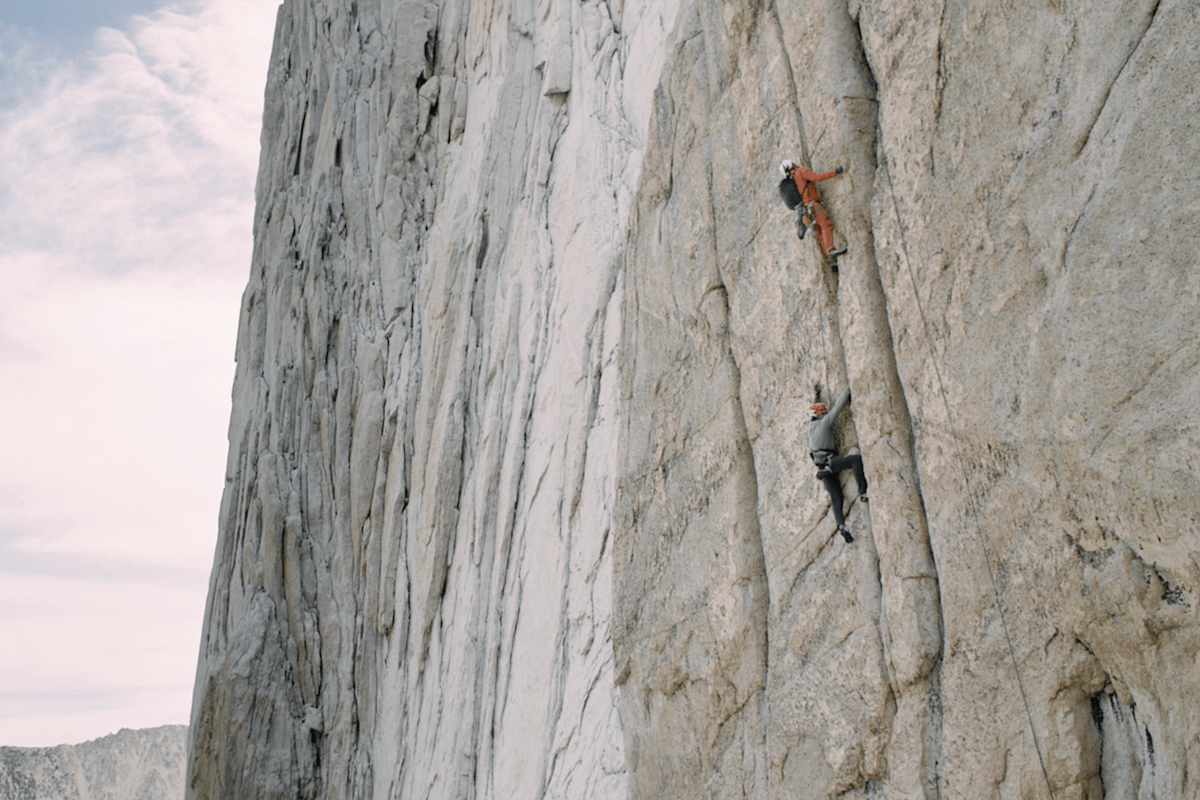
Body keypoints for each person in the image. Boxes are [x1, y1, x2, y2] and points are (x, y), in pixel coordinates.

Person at [807, 389, 868, 542]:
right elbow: (837, 409)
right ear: (820, 415)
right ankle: (863, 492)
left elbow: (815, 411)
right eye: (823, 413)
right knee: (855, 459)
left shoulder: (810, 427)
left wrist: (816, 397)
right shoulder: (824, 424)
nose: (825, 415)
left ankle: (841, 525)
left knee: (836, 496)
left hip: (822, 468)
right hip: (831, 463)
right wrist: (847, 391)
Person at [778, 160, 848, 268]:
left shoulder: (791, 182)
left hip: (805, 214)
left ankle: (831, 262)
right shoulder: (801, 171)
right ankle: (830, 250)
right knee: (826, 224)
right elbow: (817, 177)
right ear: (792, 164)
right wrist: (835, 172)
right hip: (813, 206)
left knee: (819, 232)